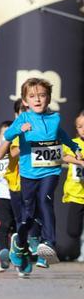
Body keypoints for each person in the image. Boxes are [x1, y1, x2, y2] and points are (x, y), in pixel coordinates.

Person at [0, 78, 82, 274]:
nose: (37, 99)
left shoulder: (55, 118)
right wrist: (19, 130)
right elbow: (7, 137)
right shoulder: (23, 119)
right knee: (27, 215)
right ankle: (19, 244)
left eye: (41, 95)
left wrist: (74, 148)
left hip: (50, 170)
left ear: (48, 98)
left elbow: (62, 135)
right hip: (29, 173)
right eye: (32, 96)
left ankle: (49, 242)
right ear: (25, 101)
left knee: (45, 200)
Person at [0, 121, 15, 272]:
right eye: (4, 135)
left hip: (16, 194)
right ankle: (2, 256)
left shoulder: (16, 151)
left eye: (9, 135)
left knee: (17, 226)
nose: (6, 139)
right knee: (5, 224)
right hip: (1, 195)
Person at [62, 111, 84, 263]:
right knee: (73, 230)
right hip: (76, 193)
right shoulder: (73, 143)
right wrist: (79, 161)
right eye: (80, 126)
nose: (83, 129)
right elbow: (62, 155)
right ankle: (79, 243)